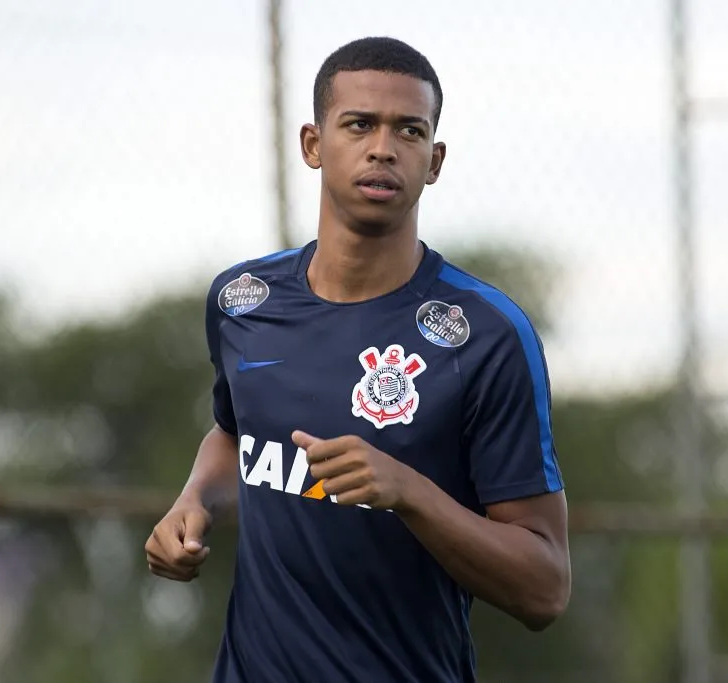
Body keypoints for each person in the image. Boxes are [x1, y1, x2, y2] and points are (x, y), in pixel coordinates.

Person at [145, 36, 571, 683]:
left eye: (409, 129)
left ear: (434, 160)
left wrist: (410, 492)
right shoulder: (241, 303)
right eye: (360, 124)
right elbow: (236, 434)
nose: (383, 147)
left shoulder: (487, 335)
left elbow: (545, 589)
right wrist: (193, 499)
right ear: (314, 145)